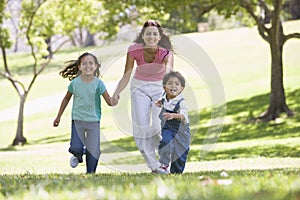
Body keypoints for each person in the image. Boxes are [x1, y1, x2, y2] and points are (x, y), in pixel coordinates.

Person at [112, 19, 174, 174]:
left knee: (157, 127)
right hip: (139, 88)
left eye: (155, 34)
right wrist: (116, 93)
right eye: (148, 34)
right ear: (143, 35)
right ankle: (154, 166)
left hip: (160, 87)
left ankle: (164, 160)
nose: (151, 37)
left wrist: (165, 94)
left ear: (159, 37)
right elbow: (126, 75)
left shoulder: (166, 53)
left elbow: (168, 74)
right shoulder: (134, 49)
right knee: (141, 127)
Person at [53, 52, 116, 173]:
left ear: (96, 66)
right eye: (84, 63)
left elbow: (109, 101)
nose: (88, 66)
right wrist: (58, 116)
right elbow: (66, 98)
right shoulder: (74, 83)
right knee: (75, 148)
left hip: (93, 121)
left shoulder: (99, 84)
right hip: (78, 120)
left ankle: (90, 173)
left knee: (94, 150)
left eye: (91, 63)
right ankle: (79, 154)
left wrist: (115, 100)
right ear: (79, 67)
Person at [156, 71, 190, 174]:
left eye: (177, 84)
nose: (173, 86)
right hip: (168, 127)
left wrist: (173, 116)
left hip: (181, 131)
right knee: (166, 142)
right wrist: (160, 102)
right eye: (170, 83)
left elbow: (184, 116)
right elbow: (164, 101)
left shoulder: (181, 102)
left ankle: (176, 172)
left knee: (180, 153)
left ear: (182, 88)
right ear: (164, 87)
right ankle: (164, 164)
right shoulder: (165, 97)